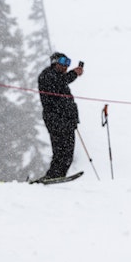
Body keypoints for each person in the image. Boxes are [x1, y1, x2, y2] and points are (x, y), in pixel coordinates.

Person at [37, 52, 83, 181]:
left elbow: (66, 98)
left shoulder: (61, 79)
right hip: (55, 118)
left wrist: (73, 118)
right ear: (54, 62)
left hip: (67, 120)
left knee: (68, 153)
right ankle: (53, 175)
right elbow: (57, 84)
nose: (65, 67)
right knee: (60, 151)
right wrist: (74, 74)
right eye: (63, 62)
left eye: (68, 63)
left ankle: (58, 176)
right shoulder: (47, 75)